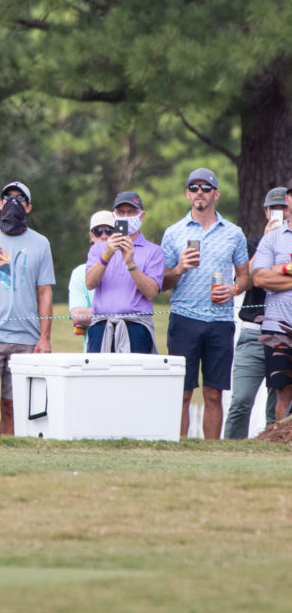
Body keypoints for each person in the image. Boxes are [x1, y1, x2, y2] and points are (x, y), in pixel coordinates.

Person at [161, 168, 250, 439]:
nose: (200, 192)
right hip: (184, 318)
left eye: (206, 187)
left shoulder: (234, 233)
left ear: (216, 194)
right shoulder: (173, 233)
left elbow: (245, 276)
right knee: (183, 391)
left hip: (220, 320)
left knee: (214, 392)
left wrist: (233, 289)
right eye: (194, 187)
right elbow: (162, 284)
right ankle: (180, 448)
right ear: (188, 194)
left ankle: (212, 452)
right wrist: (179, 268)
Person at [0, 181, 54, 435]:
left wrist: (44, 337)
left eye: (20, 199)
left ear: (28, 207)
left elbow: (45, 291)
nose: (14, 203)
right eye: (8, 198)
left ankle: (3, 454)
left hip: (26, 338)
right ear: (0, 204)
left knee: (12, 406)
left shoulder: (40, 243)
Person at [225, 186, 287, 438]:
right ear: (266, 212)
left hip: (283, 330)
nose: (281, 212)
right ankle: (230, 451)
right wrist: (266, 244)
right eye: (275, 208)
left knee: (279, 405)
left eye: (284, 207)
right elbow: (245, 282)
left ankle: (273, 451)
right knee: (241, 400)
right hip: (252, 332)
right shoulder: (252, 243)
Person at [84, 191, 165, 353]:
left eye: (132, 212)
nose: (126, 216)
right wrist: (106, 255)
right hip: (102, 326)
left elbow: (151, 292)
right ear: (114, 216)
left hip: (136, 327)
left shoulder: (154, 251)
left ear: (141, 216)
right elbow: (89, 283)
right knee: (99, 378)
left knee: (133, 378)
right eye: (121, 212)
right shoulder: (99, 249)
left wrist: (130, 263)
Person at [69, 211, 113, 351]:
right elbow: (78, 315)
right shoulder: (79, 273)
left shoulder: (128, 266)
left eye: (109, 231)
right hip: (94, 345)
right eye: (98, 231)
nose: (104, 236)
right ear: (91, 236)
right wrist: (117, 311)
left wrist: (93, 313)